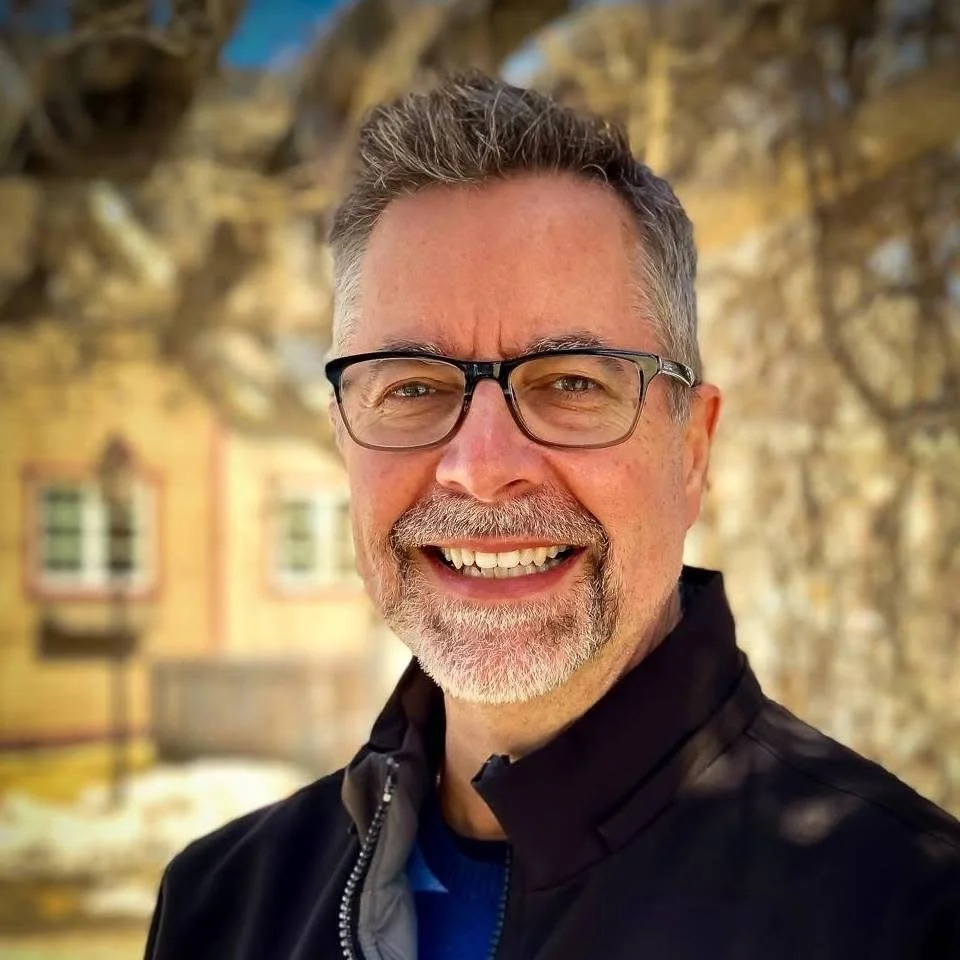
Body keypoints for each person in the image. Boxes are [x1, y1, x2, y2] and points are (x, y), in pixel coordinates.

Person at [144, 72, 960, 960]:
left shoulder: (906, 914)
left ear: (692, 451)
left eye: (572, 382)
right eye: (412, 387)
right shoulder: (222, 907)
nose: (481, 469)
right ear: (344, 434)